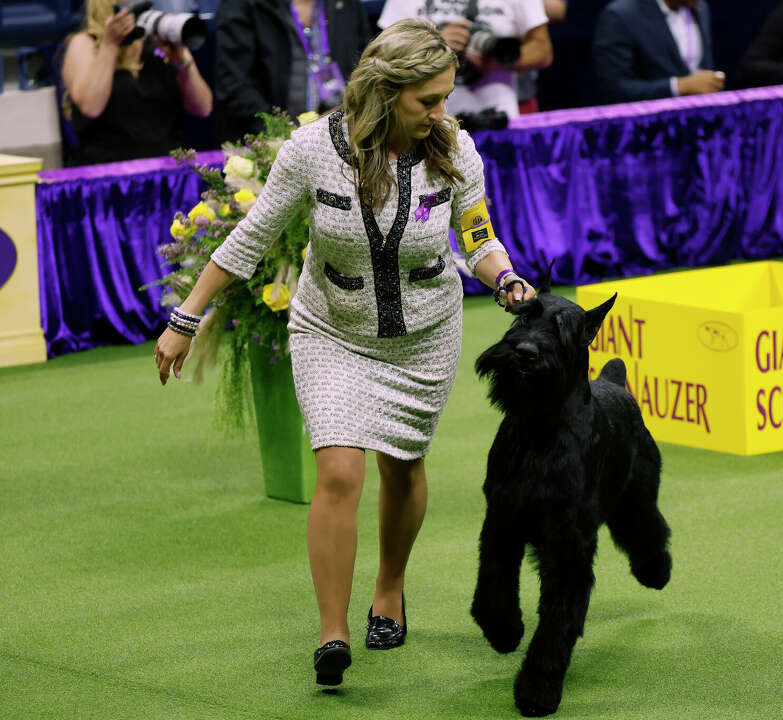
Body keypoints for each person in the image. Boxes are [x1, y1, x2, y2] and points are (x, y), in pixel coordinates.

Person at [154, 19, 536, 686]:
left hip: (425, 335)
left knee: (402, 465)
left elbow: (478, 239)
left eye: (446, 98)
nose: (441, 113)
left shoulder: (457, 152)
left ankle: (388, 589)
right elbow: (250, 237)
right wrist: (186, 316)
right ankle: (332, 632)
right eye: (428, 101)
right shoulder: (311, 150)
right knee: (337, 471)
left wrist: (504, 278)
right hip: (330, 328)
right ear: (386, 92)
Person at [60, 0, 213, 166]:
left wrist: (181, 62)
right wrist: (110, 44)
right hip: (107, 173)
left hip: (167, 172)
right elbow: (91, 107)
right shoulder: (85, 44)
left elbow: (203, 108)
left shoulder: (161, 38)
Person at [214, 0, 373, 143]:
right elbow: (234, 85)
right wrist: (281, 133)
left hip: (343, 137)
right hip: (271, 142)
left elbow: (366, 67)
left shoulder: (347, 4)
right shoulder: (243, 5)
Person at [377, 0, 553, 119]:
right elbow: (382, 54)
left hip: (495, 118)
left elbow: (543, 50)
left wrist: (494, 61)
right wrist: (432, 44)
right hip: (426, 120)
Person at [593, 0, 722, 105]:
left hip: (698, 125)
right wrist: (678, 86)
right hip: (646, 129)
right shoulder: (621, 15)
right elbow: (616, 88)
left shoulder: (701, 8)